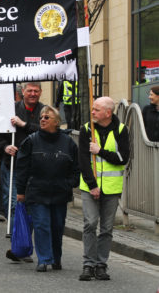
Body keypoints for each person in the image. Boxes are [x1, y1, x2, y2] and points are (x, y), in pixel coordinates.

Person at [14, 106, 79, 272]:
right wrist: (20, 191)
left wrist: (70, 182)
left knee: (57, 227)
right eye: (41, 117)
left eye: (47, 117)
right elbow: (22, 167)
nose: (42, 119)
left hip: (60, 192)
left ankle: (56, 258)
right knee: (42, 225)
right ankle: (44, 259)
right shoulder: (31, 141)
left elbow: (76, 167)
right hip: (37, 191)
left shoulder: (68, 142)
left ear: (56, 122)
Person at [78, 97, 130, 281]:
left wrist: (100, 151)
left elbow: (123, 158)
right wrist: (92, 185)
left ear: (108, 113)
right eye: (93, 109)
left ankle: (101, 265)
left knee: (107, 228)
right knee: (90, 223)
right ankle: (88, 264)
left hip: (111, 188)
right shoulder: (86, 130)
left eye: (96, 109)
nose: (92, 112)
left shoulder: (122, 130)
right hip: (89, 187)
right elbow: (83, 161)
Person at [0, 82, 45, 231]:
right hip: (14, 164)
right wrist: (5, 147)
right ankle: (19, 234)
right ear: (23, 91)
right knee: (14, 201)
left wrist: (24, 124)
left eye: (36, 91)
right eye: (30, 91)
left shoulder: (45, 111)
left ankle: (27, 229)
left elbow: (46, 132)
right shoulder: (11, 110)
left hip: (37, 166)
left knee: (32, 201)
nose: (33, 94)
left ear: (40, 92)